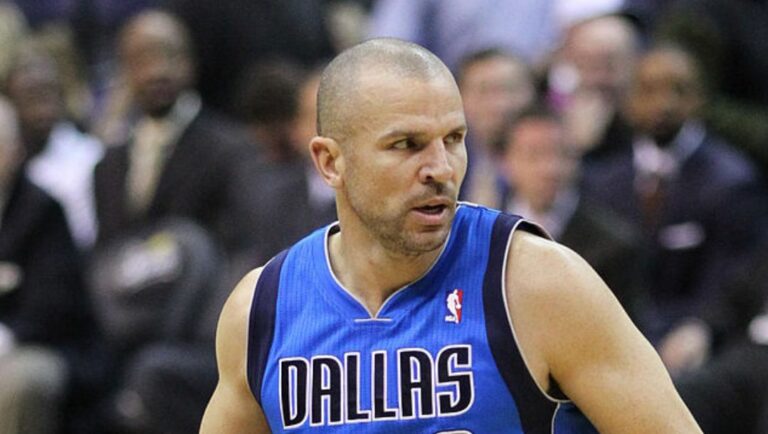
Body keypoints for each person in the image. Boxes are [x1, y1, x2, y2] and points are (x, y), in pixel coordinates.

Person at [200, 38, 701, 433]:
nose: (440, 168)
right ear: (331, 162)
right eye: (407, 145)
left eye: (454, 140)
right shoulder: (261, 311)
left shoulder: (537, 283)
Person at [499, 103, 647, 326]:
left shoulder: (613, 244)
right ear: (506, 163)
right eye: (534, 155)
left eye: (562, 154)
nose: (550, 168)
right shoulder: (482, 234)